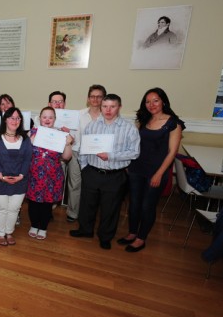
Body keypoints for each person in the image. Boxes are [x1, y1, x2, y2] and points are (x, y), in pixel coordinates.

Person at [70, 94, 140, 250]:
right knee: (87, 205)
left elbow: (134, 152)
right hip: (92, 172)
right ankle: (85, 230)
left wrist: (111, 156)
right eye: (105, 106)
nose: (108, 110)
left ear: (119, 107)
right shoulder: (92, 126)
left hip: (115, 175)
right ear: (101, 107)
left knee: (110, 208)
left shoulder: (129, 128)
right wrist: (84, 168)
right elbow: (84, 149)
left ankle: (105, 236)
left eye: (112, 106)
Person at [118, 88, 185, 252]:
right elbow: (134, 144)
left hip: (156, 171)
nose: (151, 104)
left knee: (147, 206)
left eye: (155, 100)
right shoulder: (144, 119)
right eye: (148, 101)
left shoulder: (173, 123)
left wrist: (159, 174)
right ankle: (132, 233)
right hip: (136, 168)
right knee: (134, 203)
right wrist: (128, 164)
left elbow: (172, 153)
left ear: (163, 101)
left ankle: (141, 238)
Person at [26, 107, 74, 240]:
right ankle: (34, 225)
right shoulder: (32, 132)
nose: (47, 119)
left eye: (50, 117)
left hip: (52, 175)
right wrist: (30, 141)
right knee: (34, 203)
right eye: (44, 117)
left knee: (47, 203)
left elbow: (67, 157)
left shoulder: (60, 135)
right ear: (40, 118)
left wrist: (68, 143)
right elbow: (24, 153)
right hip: (35, 173)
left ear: (54, 119)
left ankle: (43, 227)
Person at [0, 108, 32, 246]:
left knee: (14, 208)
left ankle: (9, 232)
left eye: (18, 118)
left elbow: (27, 159)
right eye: (12, 118)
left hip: (20, 180)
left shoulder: (25, 139)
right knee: (1, 207)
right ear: (5, 119)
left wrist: (21, 176)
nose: (15, 121)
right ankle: (0, 233)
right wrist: (1, 177)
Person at [66, 85, 106, 223]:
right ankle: (73, 212)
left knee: (93, 187)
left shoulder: (107, 115)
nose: (95, 99)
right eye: (92, 96)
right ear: (88, 99)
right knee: (75, 184)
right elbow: (74, 135)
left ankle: (88, 214)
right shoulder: (79, 114)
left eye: (99, 96)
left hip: (98, 157)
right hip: (77, 153)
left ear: (103, 98)